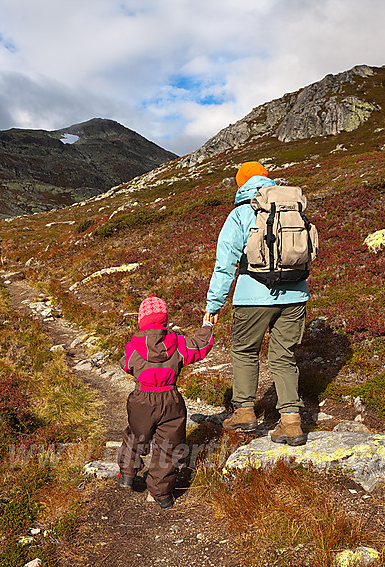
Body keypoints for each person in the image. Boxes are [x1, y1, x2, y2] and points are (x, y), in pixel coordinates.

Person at [204, 162, 310, 446]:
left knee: (244, 350)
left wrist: (214, 304)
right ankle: (291, 422)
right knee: (284, 356)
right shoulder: (291, 208)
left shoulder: (239, 214)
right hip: (296, 293)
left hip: (253, 297)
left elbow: (225, 265)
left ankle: (245, 412)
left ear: (241, 184)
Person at [117, 295, 214, 510]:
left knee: (135, 433)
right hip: (171, 399)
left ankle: (127, 473)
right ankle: (162, 494)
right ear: (165, 320)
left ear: (141, 321)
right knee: (168, 446)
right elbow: (200, 346)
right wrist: (207, 325)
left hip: (142, 398)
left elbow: (126, 365)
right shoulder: (178, 343)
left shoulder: (134, 345)